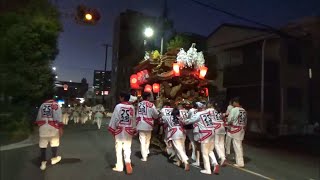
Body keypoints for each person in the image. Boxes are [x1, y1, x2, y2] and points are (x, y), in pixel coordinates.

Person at [185, 102, 219, 175]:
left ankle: (208, 169)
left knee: (204, 152)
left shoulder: (198, 114)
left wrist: (183, 121)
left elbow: (189, 121)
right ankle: (215, 163)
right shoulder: (207, 113)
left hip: (205, 134)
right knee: (210, 150)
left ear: (198, 108)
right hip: (212, 132)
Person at [108, 92, 136, 174]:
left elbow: (115, 118)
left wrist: (113, 128)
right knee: (127, 147)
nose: (119, 99)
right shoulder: (132, 107)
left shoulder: (118, 106)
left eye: (120, 97)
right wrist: (134, 129)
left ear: (123, 98)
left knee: (119, 148)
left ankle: (119, 166)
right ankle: (127, 162)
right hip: (128, 130)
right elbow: (133, 119)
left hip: (119, 130)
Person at [35, 98, 63, 171]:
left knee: (43, 145)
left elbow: (38, 118)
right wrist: (60, 127)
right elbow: (59, 117)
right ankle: (54, 158)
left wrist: (40, 125)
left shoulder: (42, 105)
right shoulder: (56, 105)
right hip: (53, 128)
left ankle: (43, 162)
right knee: (54, 143)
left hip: (43, 128)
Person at [136, 92, 159, 162]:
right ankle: (145, 152)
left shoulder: (139, 104)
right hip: (148, 124)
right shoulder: (151, 105)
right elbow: (156, 115)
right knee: (148, 140)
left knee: (142, 140)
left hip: (140, 124)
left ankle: (144, 156)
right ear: (148, 97)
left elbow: (137, 115)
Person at [227, 97, 247, 168]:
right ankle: (238, 160)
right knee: (239, 145)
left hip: (236, 129)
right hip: (242, 129)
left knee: (237, 145)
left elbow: (230, 119)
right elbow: (245, 120)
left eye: (233, 102)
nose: (233, 104)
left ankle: (240, 163)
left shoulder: (234, 109)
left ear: (235, 102)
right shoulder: (243, 110)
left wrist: (227, 122)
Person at [207, 101, 226, 166]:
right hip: (222, 126)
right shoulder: (218, 111)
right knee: (221, 143)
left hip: (216, 127)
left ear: (210, 104)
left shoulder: (208, 110)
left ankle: (221, 157)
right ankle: (223, 157)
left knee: (216, 143)